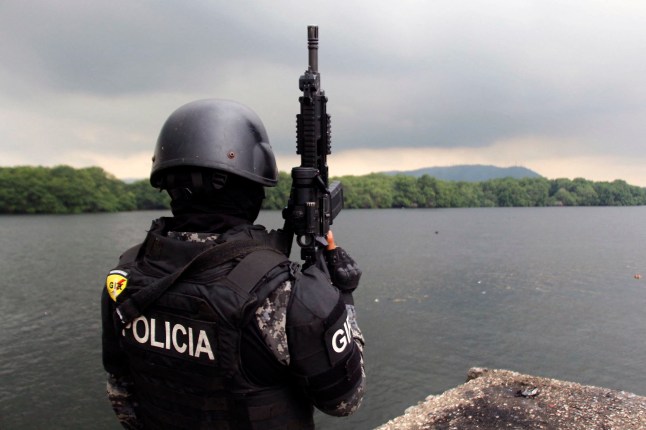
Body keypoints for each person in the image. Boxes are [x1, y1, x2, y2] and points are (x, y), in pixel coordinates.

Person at [101, 98, 365, 430]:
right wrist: (342, 295)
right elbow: (345, 400)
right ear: (251, 186)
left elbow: (122, 397)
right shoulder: (284, 292)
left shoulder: (124, 277)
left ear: (169, 184)